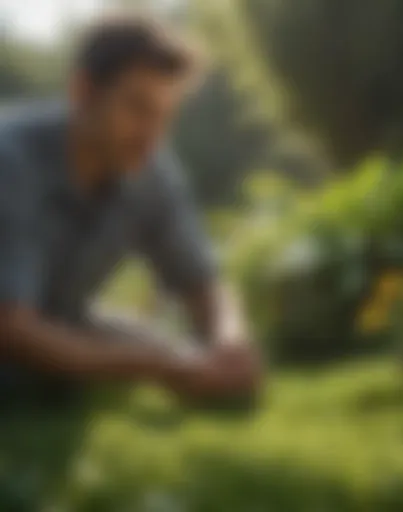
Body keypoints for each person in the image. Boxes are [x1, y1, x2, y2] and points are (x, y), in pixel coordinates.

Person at [0, 14, 261, 407]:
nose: (151, 136)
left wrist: (229, 340)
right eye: (137, 108)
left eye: (163, 117)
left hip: (60, 321)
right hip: (15, 333)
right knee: (160, 353)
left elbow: (201, 280)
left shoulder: (148, 168)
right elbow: (11, 328)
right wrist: (158, 366)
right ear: (83, 92)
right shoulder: (12, 160)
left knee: (168, 347)